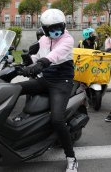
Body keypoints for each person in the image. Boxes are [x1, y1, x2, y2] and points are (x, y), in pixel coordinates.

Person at [18, 9, 78, 172]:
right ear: (44, 29)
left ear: (63, 25)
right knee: (13, 89)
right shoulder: (44, 39)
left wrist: (41, 63)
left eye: (58, 27)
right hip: (45, 79)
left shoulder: (67, 39)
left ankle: (71, 158)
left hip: (61, 82)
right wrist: (27, 63)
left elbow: (54, 56)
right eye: (50, 29)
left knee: (57, 119)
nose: (55, 31)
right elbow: (40, 56)